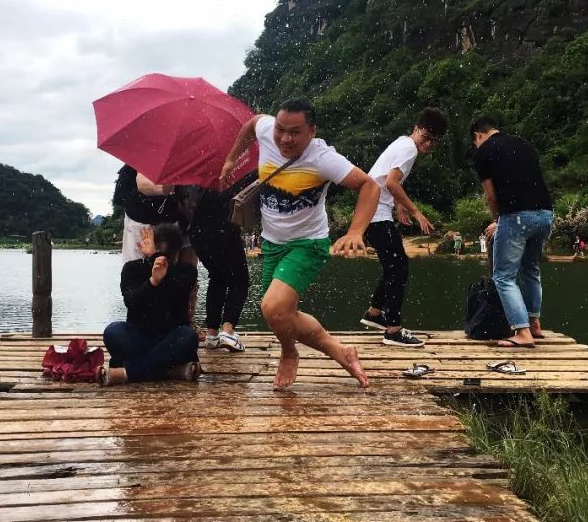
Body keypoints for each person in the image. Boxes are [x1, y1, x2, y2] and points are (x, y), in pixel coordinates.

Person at [220, 98, 380, 389]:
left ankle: (289, 353)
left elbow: (369, 185)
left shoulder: (322, 158)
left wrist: (356, 232)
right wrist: (232, 158)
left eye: (295, 132)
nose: (285, 139)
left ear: (312, 131)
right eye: (281, 130)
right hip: (271, 243)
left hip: (308, 244)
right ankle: (341, 352)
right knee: (281, 315)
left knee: (273, 308)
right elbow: (252, 123)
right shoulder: (266, 130)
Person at [358, 107, 448, 347]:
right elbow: (391, 182)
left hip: (373, 213)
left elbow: (387, 178)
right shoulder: (409, 149)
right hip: (375, 214)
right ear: (416, 128)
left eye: (434, 141)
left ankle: (375, 313)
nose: (428, 144)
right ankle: (393, 330)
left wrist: (399, 207)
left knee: (394, 267)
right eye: (426, 137)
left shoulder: (402, 143)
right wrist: (416, 212)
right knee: (399, 268)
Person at [470, 117, 554, 349]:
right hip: (545, 214)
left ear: (477, 135)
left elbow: (491, 196)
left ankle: (522, 331)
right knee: (531, 269)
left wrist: (499, 221)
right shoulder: (523, 143)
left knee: (503, 277)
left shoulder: (483, 152)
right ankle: (534, 323)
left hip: (517, 216)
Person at [100, 223, 200, 385]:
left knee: (188, 336)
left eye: (166, 256)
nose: (162, 259)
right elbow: (132, 302)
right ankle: (170, 371)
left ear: (176, 254)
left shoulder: (185, 271)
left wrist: (156, 258)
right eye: (157, 253)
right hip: (140, 338)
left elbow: (178, 290)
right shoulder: (132, 269)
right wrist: (153, 281)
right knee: (113, 331)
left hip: (171, 338)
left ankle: (128, 373)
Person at [179, 183, 251, 352]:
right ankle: (227, 331)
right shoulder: (223, 176)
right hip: (223, 229)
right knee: (239, 281)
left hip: (197, 233)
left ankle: (212, 335)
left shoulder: (192, 178)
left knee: (217, 278)